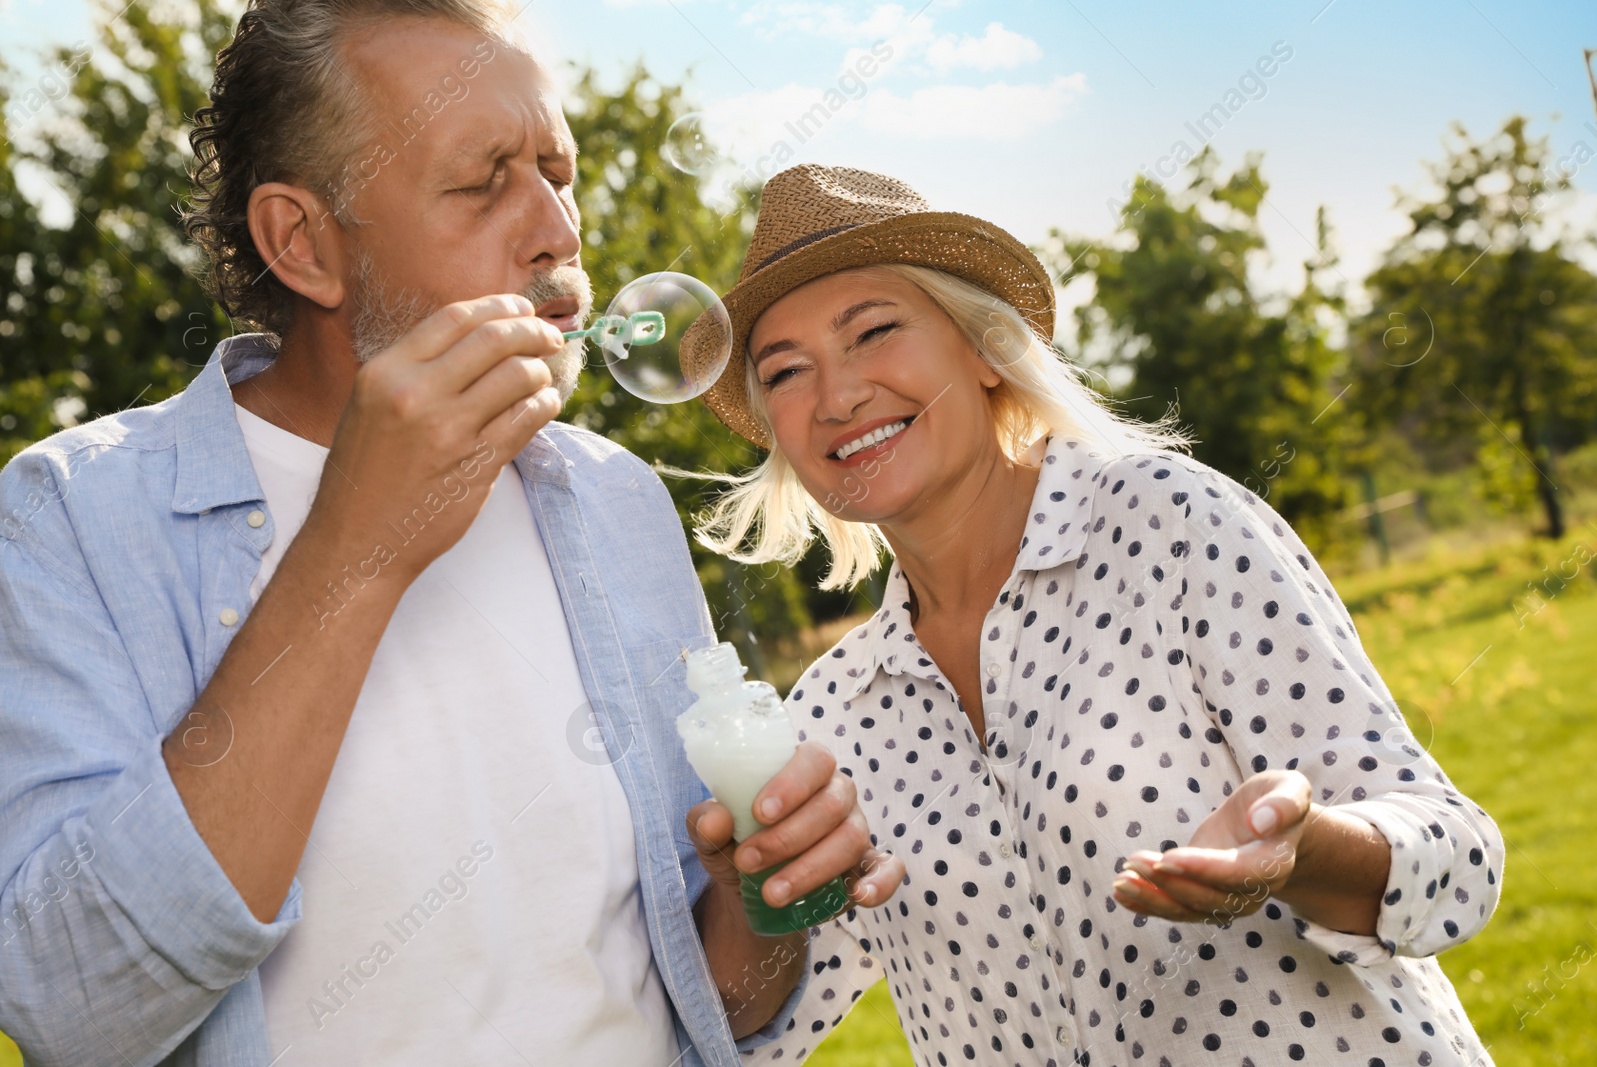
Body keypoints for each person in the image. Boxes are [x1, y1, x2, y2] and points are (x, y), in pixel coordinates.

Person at [0, 8, 905, 1065]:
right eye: (484, 181)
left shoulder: (614, 498)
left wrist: (770, 889)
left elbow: (716, 1001)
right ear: (304, 241)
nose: (557, 229)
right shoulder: (71, 515)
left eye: (557, 173)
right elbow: (69, 1007)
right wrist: (357, 547)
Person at [682, 164, 1502, 1066]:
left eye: (874, 331)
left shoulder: (1172, 526)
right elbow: (748, 1026)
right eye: (787, 372)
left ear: (986, 349)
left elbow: (1456, 855)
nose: (836, 397)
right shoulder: (831, 714)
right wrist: (752, 896)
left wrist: (1303, 851)